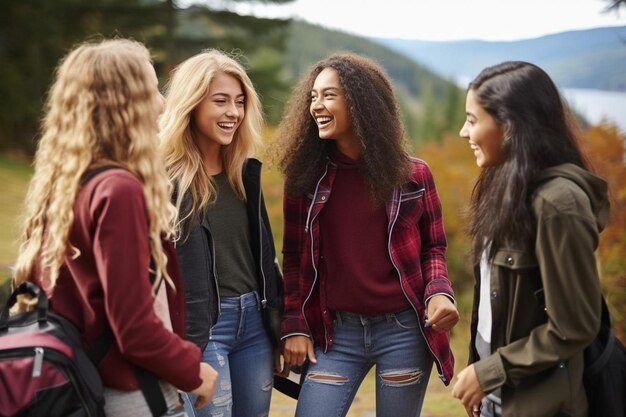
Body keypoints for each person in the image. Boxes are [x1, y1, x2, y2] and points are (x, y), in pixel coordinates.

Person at [11, 38, 217, 416]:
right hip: (132, 391)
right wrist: (192, 370)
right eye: (153, 89)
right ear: (128, 103)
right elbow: (134, 326)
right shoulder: (118, 189)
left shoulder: (69, 182)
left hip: (85, 379)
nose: (162, 102)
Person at [271, 52, 459, 417]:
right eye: (313, 97)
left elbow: (434, 247)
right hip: (335, 334)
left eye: (329, 95)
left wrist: (439, 292)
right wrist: (294, 325)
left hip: (403, 330)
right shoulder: (304, 180)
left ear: (360, 102)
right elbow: (293, 258)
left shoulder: (413, 175)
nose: (316, 106)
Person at [451, 61, 610, 417]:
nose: (464, 132)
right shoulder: (504, 186)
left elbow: (575, 325)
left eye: (473, 120)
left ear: (509, 128)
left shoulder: (557, 204)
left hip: (540, 405)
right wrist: (479, 373)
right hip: (497, 398)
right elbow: (495, 307)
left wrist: (489, 372)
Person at [159, 49, 286, 417]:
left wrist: (276, 321)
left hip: (255, 326)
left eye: (240, 102)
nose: (233, 112)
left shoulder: (244, 174)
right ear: (191, 103)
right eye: (221, 101)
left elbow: (264, 256)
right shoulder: (166, 182)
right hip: (202, 328)